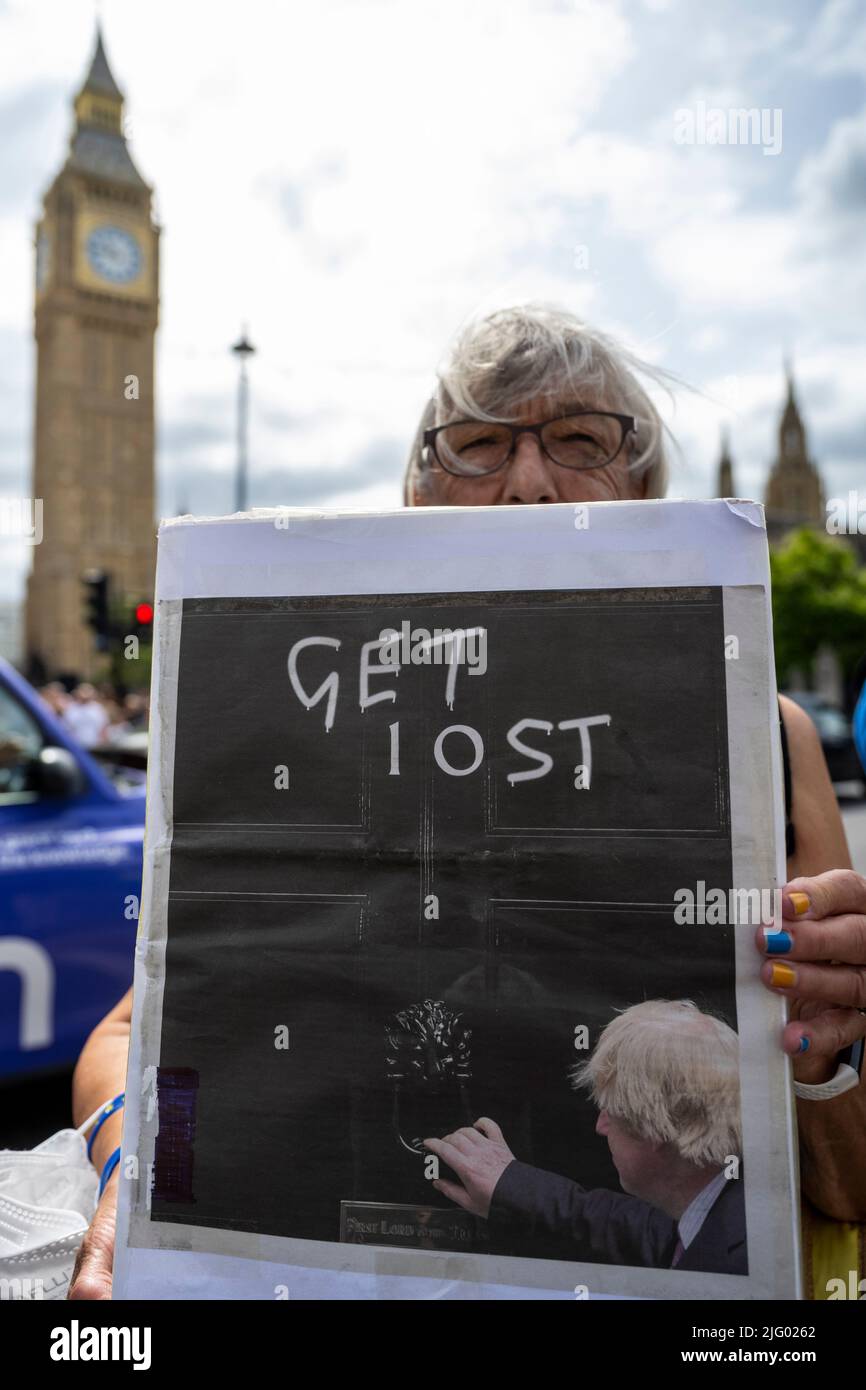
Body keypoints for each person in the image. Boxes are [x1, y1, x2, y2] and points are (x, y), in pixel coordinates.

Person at [69, 303, 866, 1298]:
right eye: (479, 445)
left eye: (578, 439)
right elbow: (121, 1042)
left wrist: (827, 1056)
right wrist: (129, 1173)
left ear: (647, 492)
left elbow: (844, 1188)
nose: (528, 482)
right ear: (416, 498)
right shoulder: (305, 724)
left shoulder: (764, 736)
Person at [424, 1001, 746, 1274]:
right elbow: (639, 1230)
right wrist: (510, 1186)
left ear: (657, 1130)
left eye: (611, 1112)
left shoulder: (737, 1265)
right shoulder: (724, 1209)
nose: (600, 1126)